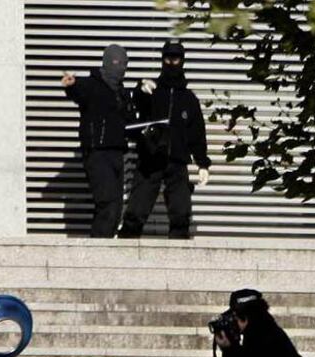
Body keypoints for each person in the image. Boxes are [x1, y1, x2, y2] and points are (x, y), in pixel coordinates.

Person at [118, 39, 211, 239]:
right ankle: (124, 249)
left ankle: (179, 257)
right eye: (168, 58)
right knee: (136, 210)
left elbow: (197, 132)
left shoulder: (188, 99)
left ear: (182, 61)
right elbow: (134, 110)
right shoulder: (152, 91)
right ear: (162, 59)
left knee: (181, 212)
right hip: (150, 159)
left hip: (177, 162)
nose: (171, 63)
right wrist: (139, 89)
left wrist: (202, 163)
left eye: (175, 59)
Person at [62, 44, 134, 238]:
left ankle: (106, 248)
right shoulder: (92, 84)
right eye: (117, 63)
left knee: (116, 207)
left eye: (124, 64)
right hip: (97, 152)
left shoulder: (122, 92)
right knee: (107, 203)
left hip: (117, 153)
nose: (120, 68)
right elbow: (79, 91)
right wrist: (71, 85)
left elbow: (130, 120)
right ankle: (97, 252)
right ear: (107, 62)